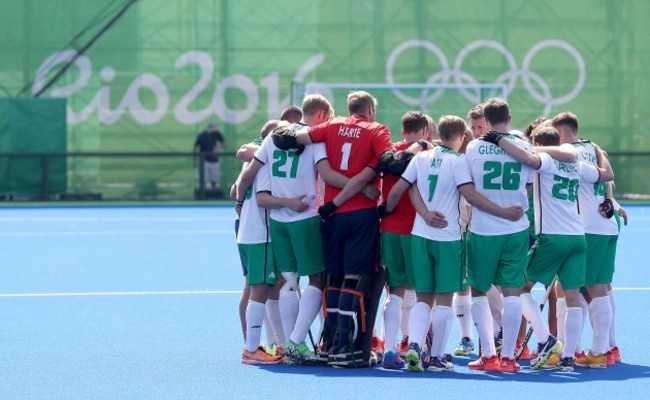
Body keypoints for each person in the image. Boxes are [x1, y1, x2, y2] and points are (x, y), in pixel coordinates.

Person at [273, 91, 419, 367]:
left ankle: (330, 346)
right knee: (355, 280)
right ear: (370, 110)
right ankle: (347, 349)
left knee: (335, 279)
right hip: (361, 214)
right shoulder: (377, 130)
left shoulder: (330, 126)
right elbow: (389, 161)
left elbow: (294, 138)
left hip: (331, 215)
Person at [382, 115, 523, 372]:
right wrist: (503, 212)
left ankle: (414, 346)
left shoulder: (421, 158)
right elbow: (470, 196)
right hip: (448, 238)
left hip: (420, 236)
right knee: (444, 299)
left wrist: (420, 213)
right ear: (460, 136)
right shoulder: (458, 161)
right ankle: (436, 357)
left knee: (423, 297)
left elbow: (399, 190)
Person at [484, 124, 614, 372]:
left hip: (552, 238)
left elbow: (525, 157)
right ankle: (567, 357)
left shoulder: (545, 160)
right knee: (573, 297)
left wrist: (500, 141)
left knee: (518, 287)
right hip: (578, 237)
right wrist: (602, 154)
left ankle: (548, 342)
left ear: (539, 142)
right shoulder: (577, 165)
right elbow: (606, 175)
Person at [462, 98, 536, 372]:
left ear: (487, 119)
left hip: (483, 229)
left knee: (479, 291)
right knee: (512, 293)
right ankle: (508, 358)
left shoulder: (474, 146)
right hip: (516, 228)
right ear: (510, 117)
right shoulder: (524, 146)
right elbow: (527, 187)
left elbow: (468, 189)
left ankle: (488, 355)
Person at [552, 112, 620, 368]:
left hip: (586, 227)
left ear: (560, 132)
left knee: (573, 287)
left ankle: (583, 350)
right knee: (599, 285)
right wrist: (609, 200)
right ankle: (603, 349)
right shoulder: (593, 147)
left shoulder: (568, 152)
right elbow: (607, 177)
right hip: (606, 226)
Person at [378, 111, 429, 369]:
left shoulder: (390, 151)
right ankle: (418, 348)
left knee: (394, 290)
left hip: (389, 227)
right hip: (416, 229)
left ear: (403, 130)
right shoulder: (426, 151)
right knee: (422, 291)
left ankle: (390, 348)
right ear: (424, 132)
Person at [233, 120, 284, 365]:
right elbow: (264, 199)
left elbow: (236, 190)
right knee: (260, 288)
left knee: (266, 287)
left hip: (246, 231)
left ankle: (273, 345)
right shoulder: (267, 165)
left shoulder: (253, 162)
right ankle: (251, 349)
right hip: (261, 234)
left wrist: (242, 202)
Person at [193, 123, 226, 189]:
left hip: (214, 159)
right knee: (202, 177)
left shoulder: (216, 134)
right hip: (204, 160)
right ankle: (202, 190)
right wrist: (194, 160)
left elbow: (224, 143)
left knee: (215, 176)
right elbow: (195, 147)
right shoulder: (202, 136)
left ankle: (214, 188)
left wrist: (218, 147)